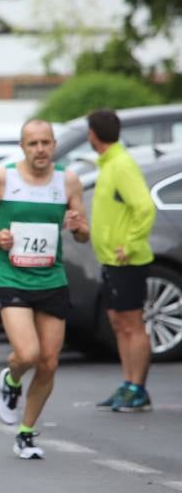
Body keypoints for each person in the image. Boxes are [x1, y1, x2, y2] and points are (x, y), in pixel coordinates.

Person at [0, 119, 90, 458]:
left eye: (45, 143)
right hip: (12, 276)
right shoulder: (5, 178)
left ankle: (26, 432)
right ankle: (12, 379)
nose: (40, 150)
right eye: (33, 143)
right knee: (28, 354)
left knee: (49, 362)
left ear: (54, 146)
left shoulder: (67, 180)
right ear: (23, 147)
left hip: (52, 278)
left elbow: (82, 232)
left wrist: (79, 227)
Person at [87, 108, 157, 412]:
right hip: (111, 262)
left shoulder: (122, 165)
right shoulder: (109, 164)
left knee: (132, 323)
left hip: (128, 260)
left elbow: (144, 207)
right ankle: (128, 383)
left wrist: (128, 244)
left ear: (93, 135)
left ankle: (138, 388)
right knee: (118, 322)